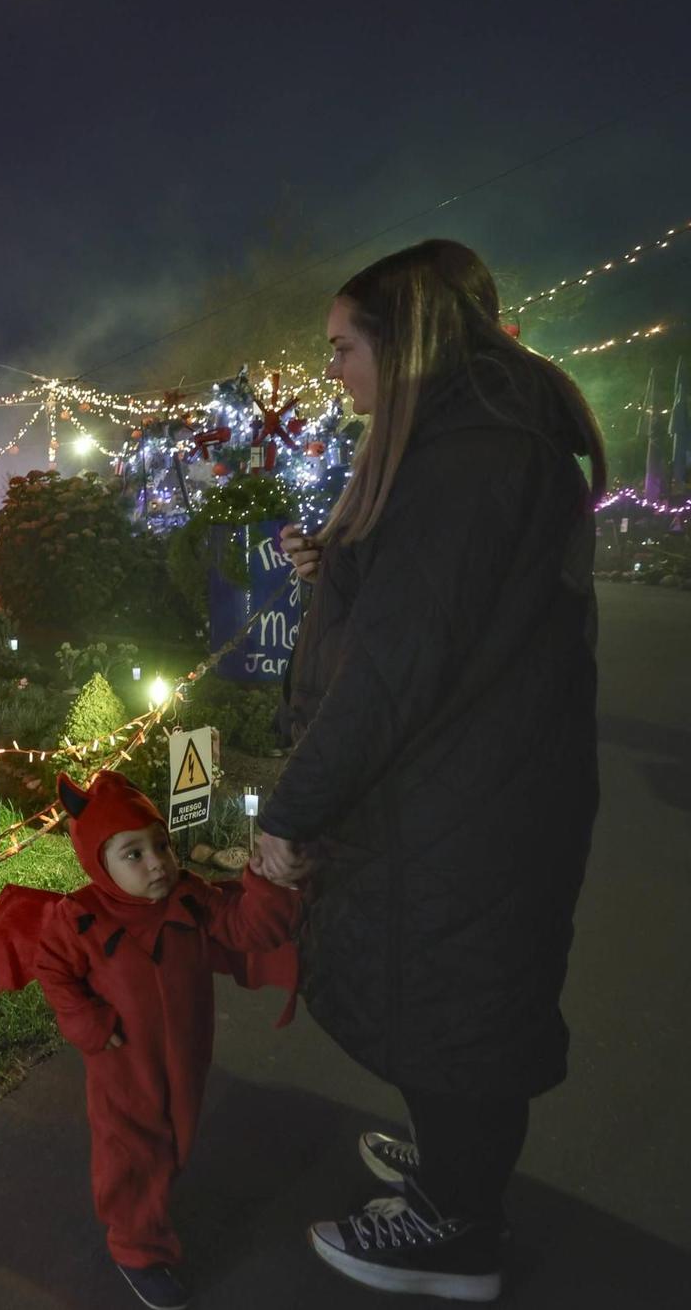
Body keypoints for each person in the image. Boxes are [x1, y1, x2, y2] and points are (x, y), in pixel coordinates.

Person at [257, 238, 604, 1302]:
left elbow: (398, 669)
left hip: (460, 798)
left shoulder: (468, 455)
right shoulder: (472, 438)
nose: (331, 373)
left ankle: (456, 1229)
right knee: (449, 996)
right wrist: (348, 561)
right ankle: (455, 1166)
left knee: (452, 1003)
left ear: (399, 343)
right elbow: (441, 605)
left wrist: (290, 810)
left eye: (340, 348)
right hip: (473, 786)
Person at [0, 769, 299, 1310]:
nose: (156, 862)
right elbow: (53, 968)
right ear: (98, 863)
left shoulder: (189, 898)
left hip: (186, 1057)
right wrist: (86, 1023)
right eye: (133, 854)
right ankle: (136, 1246)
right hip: (122, 1059)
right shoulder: (80, 918)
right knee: (131, 1147)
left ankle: (151, 1201)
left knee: (174, 1137)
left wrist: (268, 883)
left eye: (161, 845)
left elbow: (249, 928)